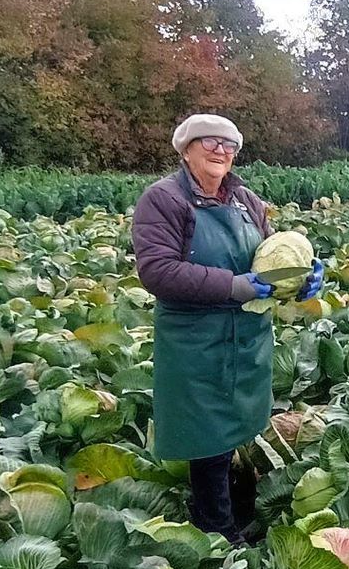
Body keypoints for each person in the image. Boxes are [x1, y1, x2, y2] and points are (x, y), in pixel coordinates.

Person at [132, 113, 323, 542]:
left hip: (247, 336)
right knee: (209, 437)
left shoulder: (246, 201)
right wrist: (235, 286)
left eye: (228, 144)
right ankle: (215, 529)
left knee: (239, 425)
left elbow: (271, 257)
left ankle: (237, 512)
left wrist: (302, 279)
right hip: (196, 338)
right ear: (186, 149)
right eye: (209, 142)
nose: (220, 150)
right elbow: (159, 272)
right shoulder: (163, 200)